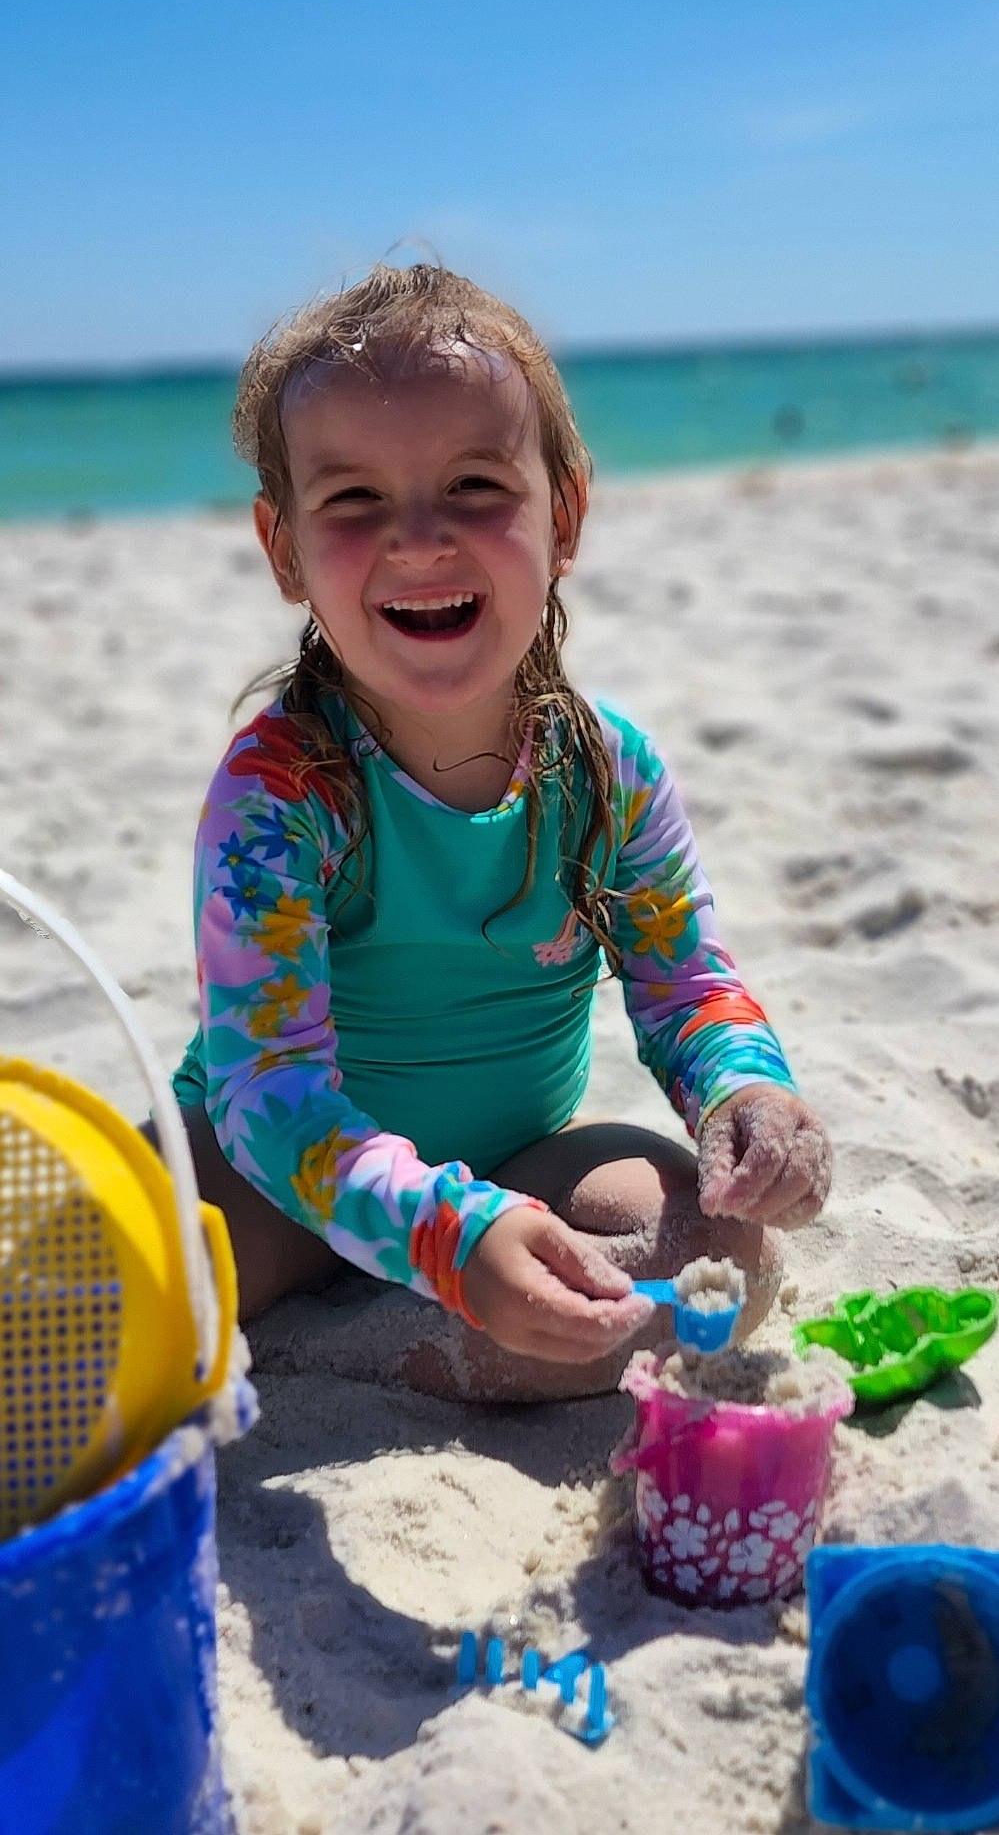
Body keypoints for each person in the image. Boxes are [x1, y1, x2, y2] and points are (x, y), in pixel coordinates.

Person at [157, 264, 831, 1403]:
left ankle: (378, 1346)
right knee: (135, 1274)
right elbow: (269, 1091)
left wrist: (744, 1099)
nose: (417, 538)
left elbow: (684, 987)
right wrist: (440, 1239)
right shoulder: (278, 791)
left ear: (562, 514)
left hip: (508, 1166)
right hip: (275, 1175)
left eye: (473, 485)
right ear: (284, 550)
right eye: (354, 501)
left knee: (714, 1254)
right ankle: (352, 1330)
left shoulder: (609, 772)